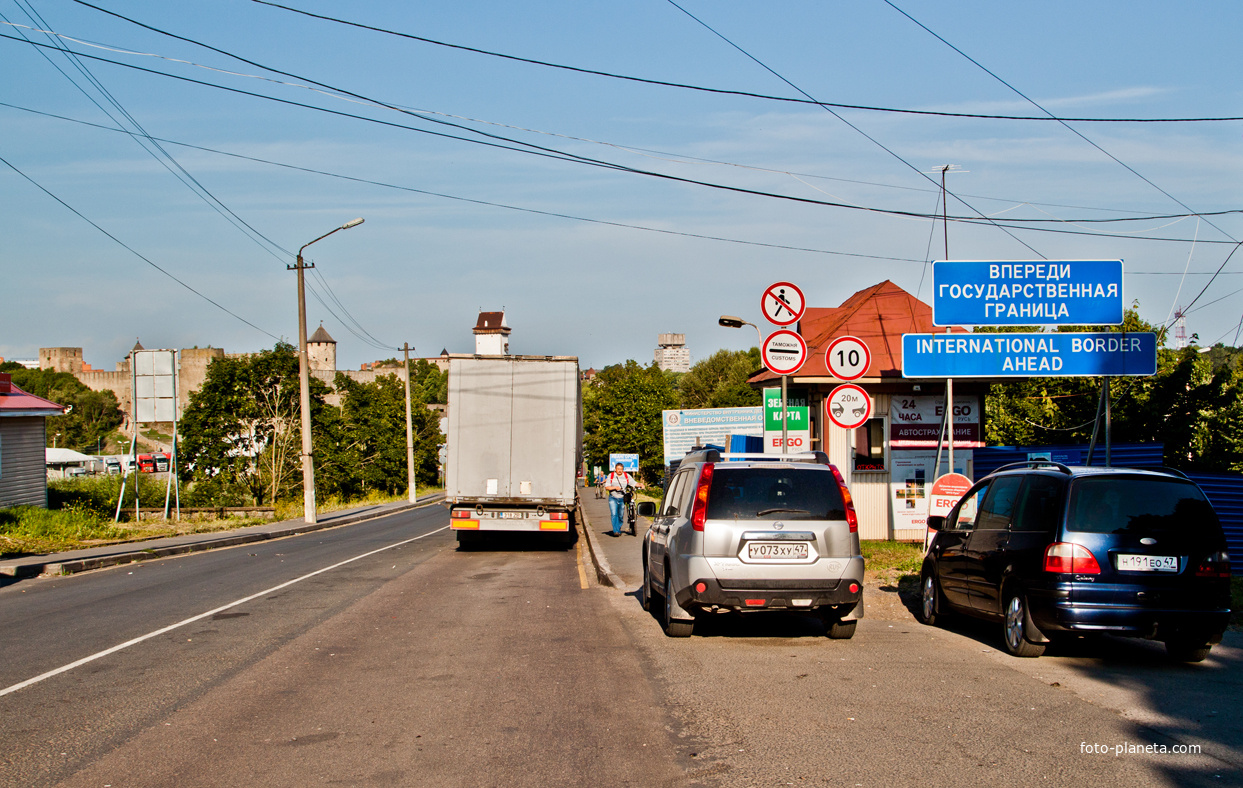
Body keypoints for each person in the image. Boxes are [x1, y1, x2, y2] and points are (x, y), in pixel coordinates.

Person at [603, 462, 643, 536]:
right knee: (614, 514)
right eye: (618, 469)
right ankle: (616, 531)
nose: (619, 471)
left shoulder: (626, 476)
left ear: (623, 470)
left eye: (621, 469)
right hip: (613, 498)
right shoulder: (611, 476)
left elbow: (633, 483)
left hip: (622, 498)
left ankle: (618, 527)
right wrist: (615, 488)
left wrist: (640, 485)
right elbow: (607, 487)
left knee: (621, 515)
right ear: (615, 469)